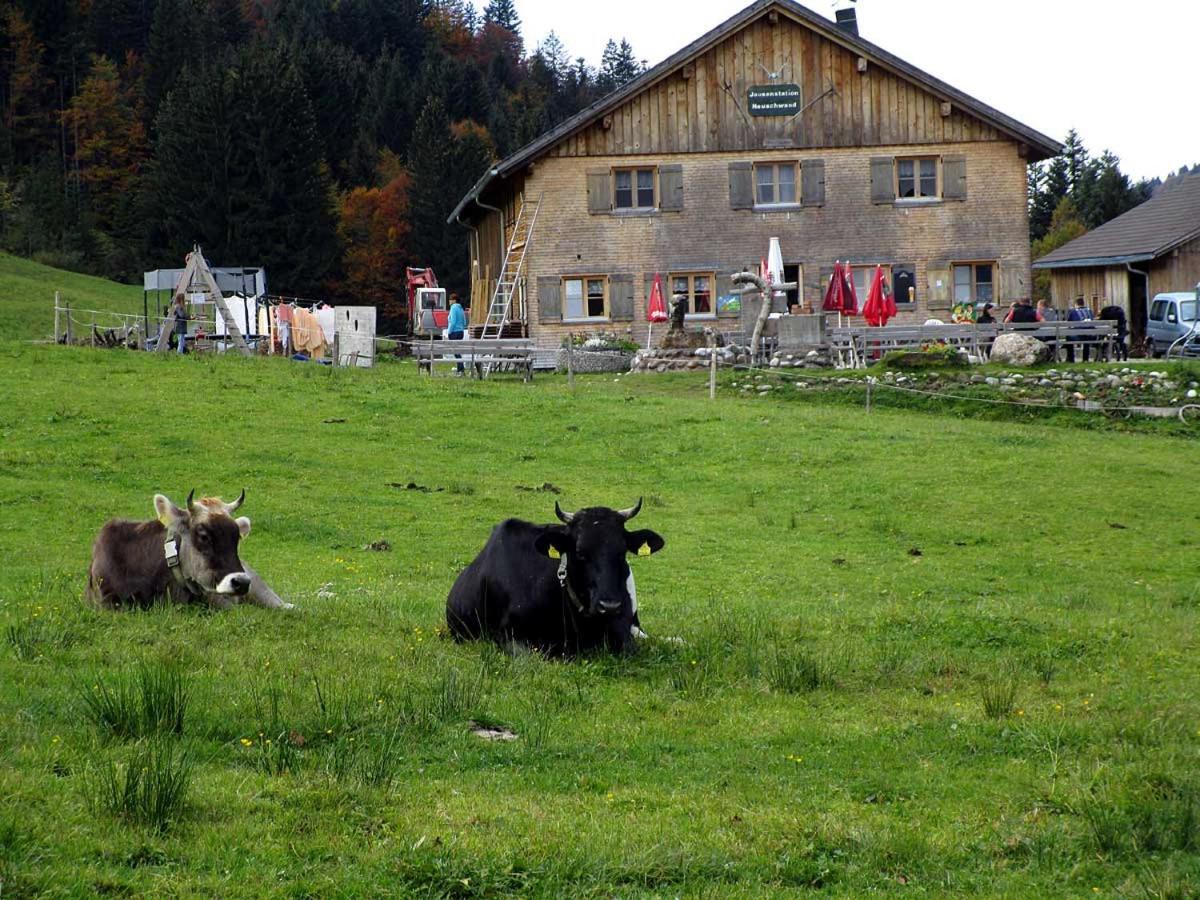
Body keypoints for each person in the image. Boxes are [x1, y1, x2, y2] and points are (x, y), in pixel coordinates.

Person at [446, 292, 467, 374]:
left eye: (450, 299)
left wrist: (449, 332)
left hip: (454, 332)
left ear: (454, 300)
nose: (449, 301)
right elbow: (465, 322)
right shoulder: (461, 308)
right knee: (457, 351)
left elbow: (453, 322)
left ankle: (461, 368)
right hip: (461, 332)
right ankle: (460, 368)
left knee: (455, 352)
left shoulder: (453, 308)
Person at [1066, 297, 1093, 362]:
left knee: (1068, 338)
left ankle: (1071, 359)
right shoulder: (1089, 311)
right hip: (1090, 336)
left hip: (1078, 336)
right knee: (1087, 335)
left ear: (1076, 304)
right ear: (1083, 303)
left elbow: (1069, 323)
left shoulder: (1073, 311)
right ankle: (1085, 359)